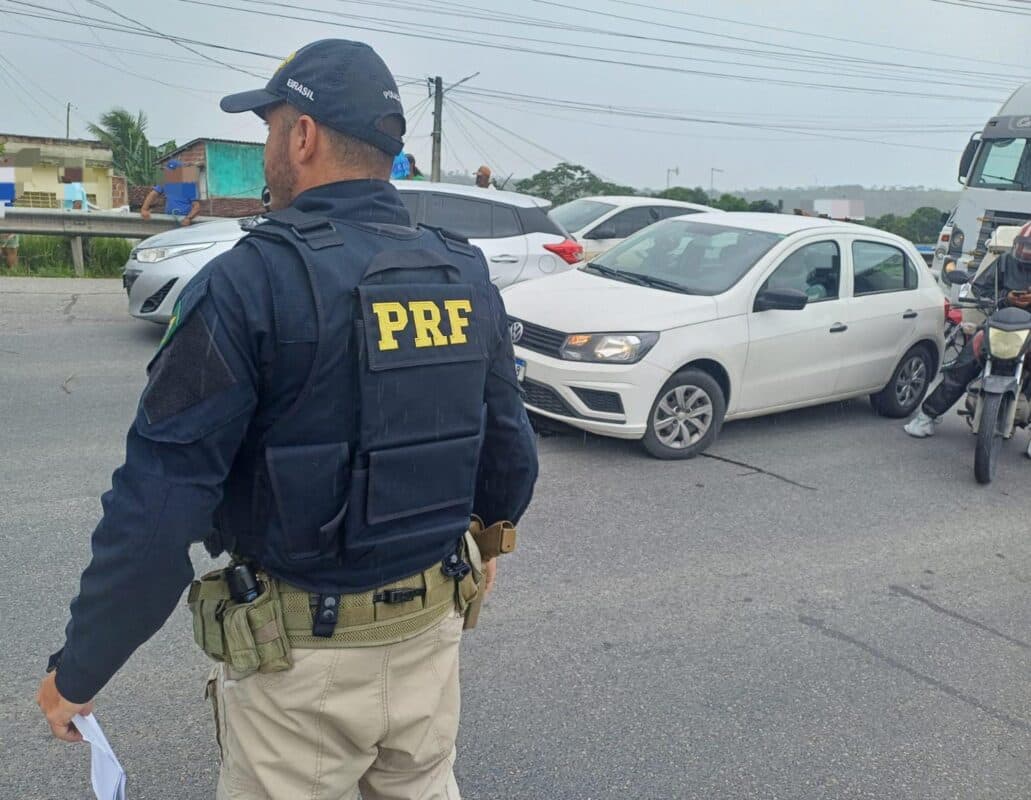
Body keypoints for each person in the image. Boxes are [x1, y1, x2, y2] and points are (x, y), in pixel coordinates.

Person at [36, 38, 539, 800]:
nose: (269, 147)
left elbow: (159, 507)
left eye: (271, 128)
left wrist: (79, 672)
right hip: (431, 631)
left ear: (300, 136)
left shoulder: (247, 281)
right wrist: (490, 536)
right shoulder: (459, 270)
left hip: (301, 665)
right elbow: (508, 453)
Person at [905, 220, 1031, 451]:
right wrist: (1006, 298)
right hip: (998, 325)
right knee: (964, 362)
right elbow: (981, 287)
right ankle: (926, 416)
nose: (1027, 251)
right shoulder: (1004, 262)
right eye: (1025, 245)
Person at [140, 159, 201, 226]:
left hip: (183, 219)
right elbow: (153, 194)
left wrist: (188, 218)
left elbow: (196, 206)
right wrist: (144, 209)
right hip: (169, 218)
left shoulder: (189, 185)